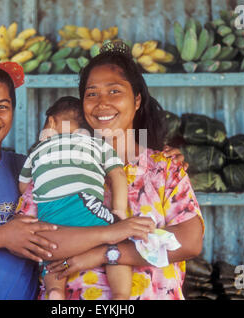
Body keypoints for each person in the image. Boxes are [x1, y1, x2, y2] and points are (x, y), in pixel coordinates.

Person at [0, 59, 157, 300]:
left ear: (13, 111)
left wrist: (165, 156)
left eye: (2, 106)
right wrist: (1, 236)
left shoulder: (25, 166)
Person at [17, 42, 205, 300]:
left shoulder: (164, 168)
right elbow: (32, 240)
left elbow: (189, 241)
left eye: (114, 91)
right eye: (92, 94)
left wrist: (106, 253)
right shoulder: (55, 162)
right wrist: (111, 233)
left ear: (137, 99)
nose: (102, 103)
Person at [18, 95, 142, 300]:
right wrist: (118, 211)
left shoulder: (37, 150)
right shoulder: (96, 144)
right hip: (85, 208)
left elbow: (23, 186)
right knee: (118, 245)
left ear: (50, 122)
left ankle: (55, 292)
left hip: (49, 224)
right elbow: (117, 174)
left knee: (51, 261)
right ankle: (120, 295)